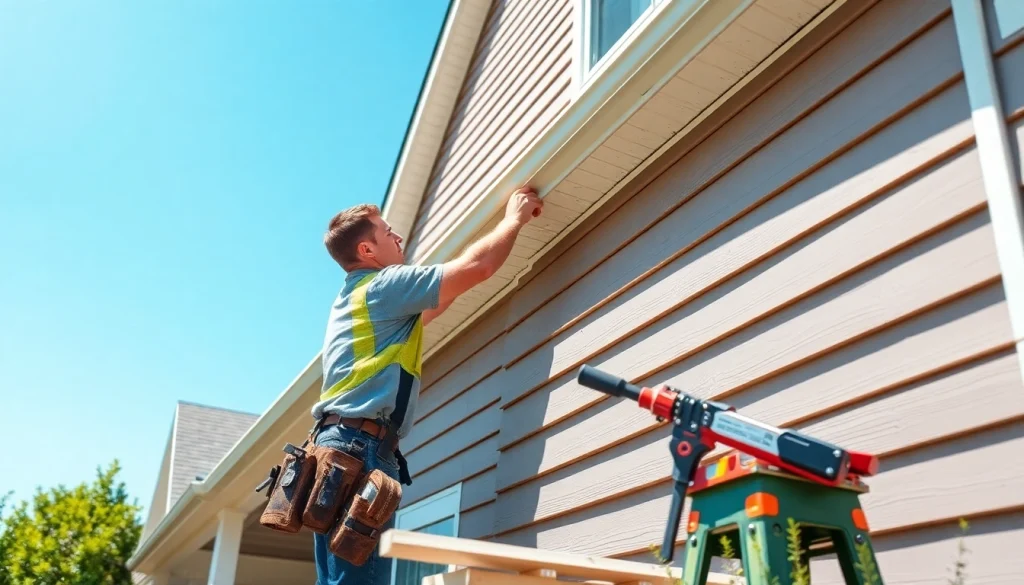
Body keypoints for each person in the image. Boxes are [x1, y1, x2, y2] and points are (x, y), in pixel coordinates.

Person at [309, 186, 543, 585]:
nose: (398, 237)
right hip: (360, 449)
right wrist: (513, 220)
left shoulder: (355, 298)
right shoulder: (384, 286)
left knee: (340, 580)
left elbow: (442, 297)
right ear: (367, 251)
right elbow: (478, 268)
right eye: (387, 232)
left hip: (337, 448)